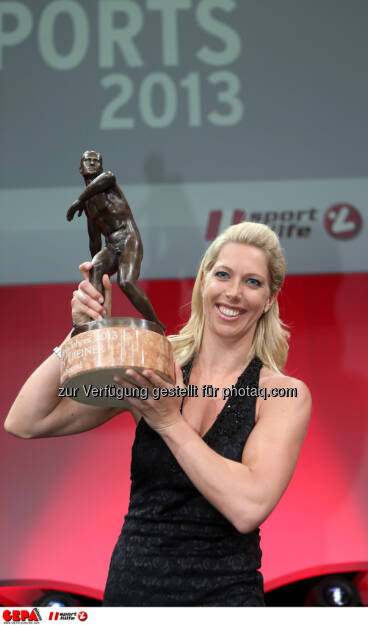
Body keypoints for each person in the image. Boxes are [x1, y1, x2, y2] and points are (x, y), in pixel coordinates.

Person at [4, 221, 311, 607]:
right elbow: (26, 420)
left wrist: (168, 422)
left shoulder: (281, 394)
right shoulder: (155, 361)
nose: (233, 293)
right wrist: (81, 333)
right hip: (132, 594)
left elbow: (247, 508)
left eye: (252, 282)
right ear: (203, 281)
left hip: (225, 600)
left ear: (269, 298)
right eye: (223, 275)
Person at [67, 150, 164, 331]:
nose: (92, 163)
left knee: (126, 282)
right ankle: (96, 323)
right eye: (87, 160)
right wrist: (93, 271)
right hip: (112, 246)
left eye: (96, 161)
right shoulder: (87, 205)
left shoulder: (106, 183)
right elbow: (94, 238)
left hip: (128, 238)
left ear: (101, 167)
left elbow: (109, 177)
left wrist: (77, 201)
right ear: (81, 168)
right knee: (96, 267)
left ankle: (158, 325)